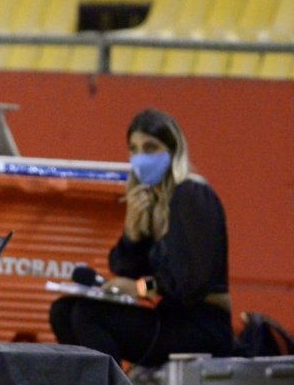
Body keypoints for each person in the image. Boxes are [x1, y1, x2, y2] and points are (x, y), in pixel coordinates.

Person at [49, 109, 234, 366]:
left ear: (173, 150)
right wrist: (132, 231)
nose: (140, 157)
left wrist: (139, 288)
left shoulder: (192, 195)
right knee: (63, 311)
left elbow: (191, 282)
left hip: (203, 327)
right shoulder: (154, 202)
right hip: (169, 319)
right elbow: (125, 269)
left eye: (150, 148)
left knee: (88, 315)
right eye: (134, 149)